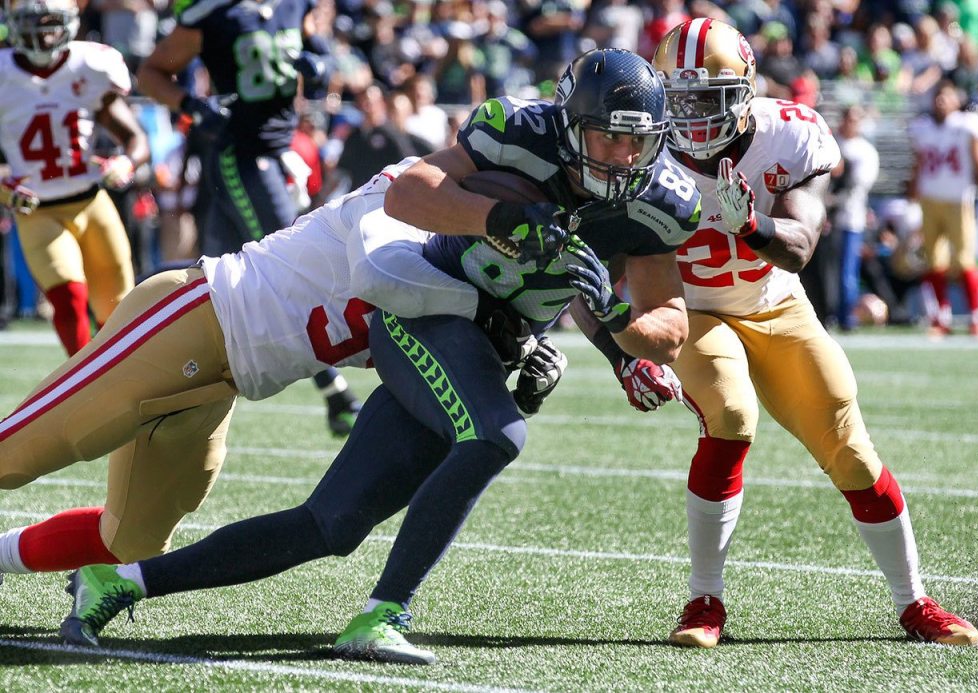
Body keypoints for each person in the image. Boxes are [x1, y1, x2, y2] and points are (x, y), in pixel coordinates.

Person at [61, 48, 699, 666]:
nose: (623, 157)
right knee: (496, 434)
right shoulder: (517, 134)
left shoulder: (659, 202)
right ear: (567, 127)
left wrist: (617, 322)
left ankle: (121, 583)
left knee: (331, 525)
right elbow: (409, 194)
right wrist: (502, 216)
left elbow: (667, 327)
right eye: (607, 138)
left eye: (636, 142)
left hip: (488, 345)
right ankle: (385, 613)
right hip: (428, 317)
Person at [0, 154, 550, 587]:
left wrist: (516, 358)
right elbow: (385, 273)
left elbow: (436, 375)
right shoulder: (401, 195)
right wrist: (490, 317)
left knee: (129, 543)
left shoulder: (465, 268)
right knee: (16, 453)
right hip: (192, 319)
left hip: (222, 383)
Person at [644, 18, 978, 647]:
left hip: (775, 300)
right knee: (731, 411)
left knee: (847, 442)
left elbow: (800, 247)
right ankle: (703, 601)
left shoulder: (787, 134)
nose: (690, 118)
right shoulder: (642, 146)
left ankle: (916, 603)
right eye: (678, 99)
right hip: (692, 309)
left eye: (706, 98)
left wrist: (752, 228)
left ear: (743, 91)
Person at [135, 0, 362, 435]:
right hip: (242, 155)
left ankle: (148, 331)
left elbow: (317, 47)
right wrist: (191, 105)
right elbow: (150, 72)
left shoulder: (294, 6)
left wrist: (319, 59)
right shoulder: (215, 13)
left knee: (216, 277)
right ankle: (337, 393)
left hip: (279, 152)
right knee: (287, 267)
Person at [0, 0, 150, 356]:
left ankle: (125, 384)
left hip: (91, 202)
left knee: (120, 311)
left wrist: (126, 162)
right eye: (32, 23)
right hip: (38, 211)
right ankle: (83, 383)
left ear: (69, 23)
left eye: (50, 23)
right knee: (68, 298)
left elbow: (135, 137)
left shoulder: (91, 65)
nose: (42, 33)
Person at [908, 79, 978, 339]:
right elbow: (918, 165)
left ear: (957, 100)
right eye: (938, 97)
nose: (941, 101)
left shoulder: (967, 125)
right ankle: (941, 317)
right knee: (934, 260)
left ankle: (977, 317)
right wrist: (912, 198)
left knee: (964, 259)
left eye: (946, 96)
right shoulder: (923, 128)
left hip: (959, 199)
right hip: (930, 199)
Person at [833, 104, 880, 331]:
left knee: (846, 273)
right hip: (824, 218)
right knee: (827, 271)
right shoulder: (831, 143)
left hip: (850, 216)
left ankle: (846, 316)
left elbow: (858, 183)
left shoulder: (865, 151)